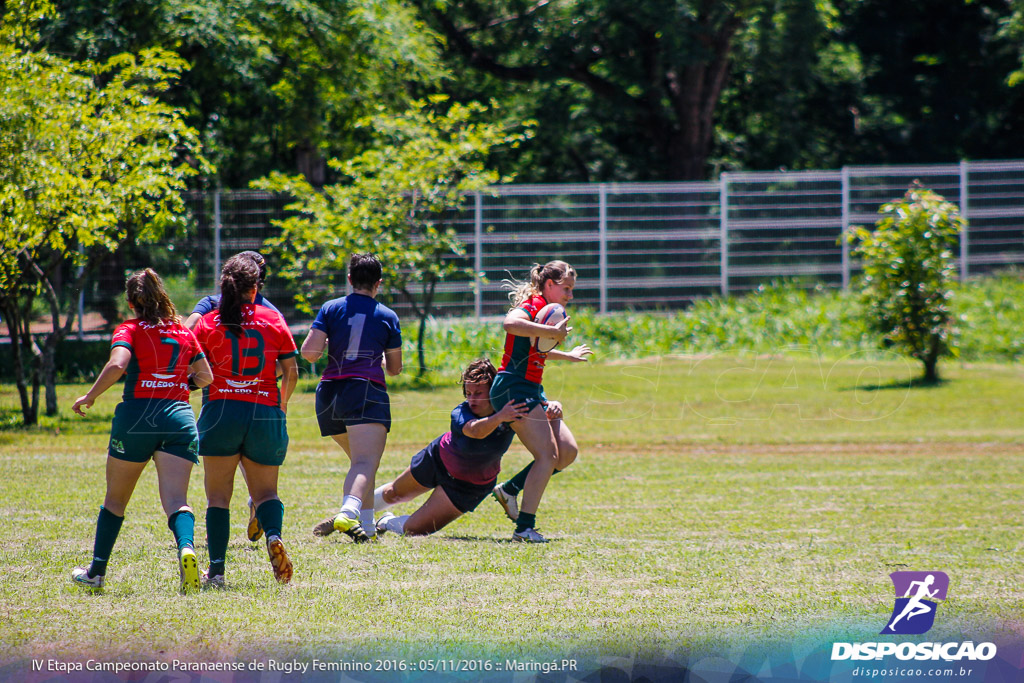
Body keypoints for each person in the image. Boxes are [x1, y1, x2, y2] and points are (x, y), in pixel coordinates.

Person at [70, 269, 213, 591]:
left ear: (131, 302)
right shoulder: (182, 332)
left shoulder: (129, 329)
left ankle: (96, 573)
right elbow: (205, 377)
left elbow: (118, 364)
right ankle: (187, 548)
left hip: (137, 418)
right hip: (179, 418)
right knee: (177, 500)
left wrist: (90, 396)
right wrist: (177, 384)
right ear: (162, 296)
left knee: (115, 501)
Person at [193, 254, 299, 585]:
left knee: (218, 498)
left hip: (221, 411)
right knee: (266, 493)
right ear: (255, 288)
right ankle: (273, 536)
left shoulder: (208, 322)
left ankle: (218, 570)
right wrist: (280, 405)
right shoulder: (273, 318)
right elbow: (292, 371)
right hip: (264, 411)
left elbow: (196, 371)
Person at [373, 359, 569, 536]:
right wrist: (499, 417)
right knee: (393, 493)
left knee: (413, 530)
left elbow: (537, 409)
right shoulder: (462, 412)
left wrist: (553, 406)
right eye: (468, 393)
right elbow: (475, 431)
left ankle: (386, 522)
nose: (472, 399)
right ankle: (359, 512)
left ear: (493, 391)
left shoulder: (510, 410)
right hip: (437, 461)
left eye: (478, 393)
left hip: (468, 487)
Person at [488, 260, 591, 543]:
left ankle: (510, 489)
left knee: (566, 452)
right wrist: (553, 334)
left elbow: (535, 347)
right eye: (566, 288)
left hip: (532, 388)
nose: (570, 295)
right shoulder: (535, 304)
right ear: (549, 285)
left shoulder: (548, 311)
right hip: (513, 386)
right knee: (547, 457)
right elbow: (510, 324)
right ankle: (524, 528)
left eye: (571, 289)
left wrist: (566, 353)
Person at [305, 254, 403, 542]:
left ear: (349, 280)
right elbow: (395, 368)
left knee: (363, 464)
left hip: (328, 394)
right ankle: (348, 513)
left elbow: (310, 353)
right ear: (378, 283)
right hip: (364, 391)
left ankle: (369, 527)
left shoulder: (330, 307)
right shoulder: (387, 315)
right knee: (364, 462)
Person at [184, 250, 278, 544]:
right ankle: (259, 505)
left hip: (219, 400)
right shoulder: (270, 310)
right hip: (260, 401)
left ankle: (217, 567)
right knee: (257, 467)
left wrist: (191, 370)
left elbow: (188, 331)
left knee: (219, 486)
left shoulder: (213, 303)